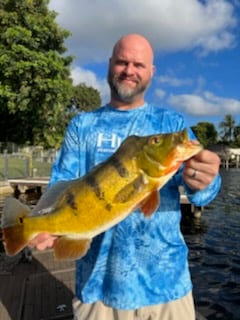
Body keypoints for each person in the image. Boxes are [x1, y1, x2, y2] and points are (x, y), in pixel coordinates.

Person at [29, 34, 221, 320]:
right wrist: (41, 221)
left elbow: (202, 192)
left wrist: (206, 181)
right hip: (98, 289)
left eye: (139, 65)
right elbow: (61, 184)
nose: (129, 70)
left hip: (167, 288)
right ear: (109, 65)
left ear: (151, 72)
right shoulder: (82, 125)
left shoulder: (172, 124)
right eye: (122, 62)